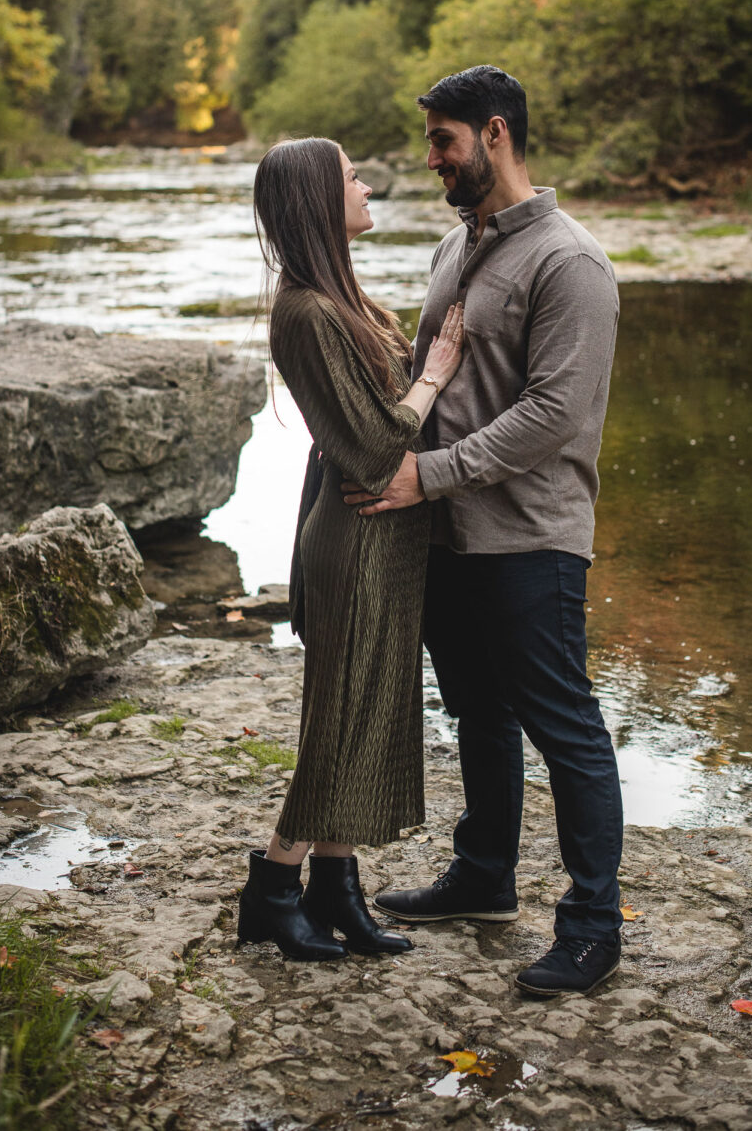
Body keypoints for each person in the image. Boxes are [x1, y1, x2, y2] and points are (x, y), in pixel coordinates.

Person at [341, 65, 624, 996]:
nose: (431, 161)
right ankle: (484, 877)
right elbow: (433, 375)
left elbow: (554, 412)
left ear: (494, 134)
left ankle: (591, 924)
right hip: (448, 537)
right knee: (478, 714)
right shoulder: (454, 249)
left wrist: (430, 473)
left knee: (565, 727)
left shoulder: (569, 261)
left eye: (442, 142)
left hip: (533, 538)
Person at [237, 136, 465, 962]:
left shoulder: (342, 301)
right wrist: (435, 372)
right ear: (314, 205)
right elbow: (375, 447)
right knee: (338, 726)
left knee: (365, 716)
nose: (368, 186)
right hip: (357, 541)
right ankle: (271, 888)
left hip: (384, 541)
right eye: (351, 179)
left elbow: (355, 427)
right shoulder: (309, 311)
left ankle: (338, 893)